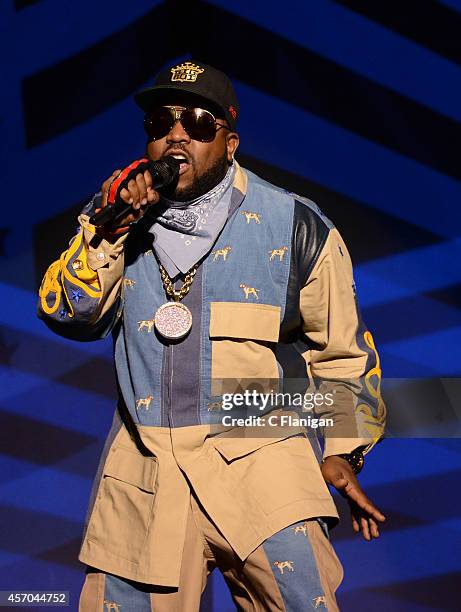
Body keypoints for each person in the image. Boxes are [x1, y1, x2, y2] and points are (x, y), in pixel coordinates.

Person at [38, 60, 386, 612]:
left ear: (230, 143)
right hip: (147, 476)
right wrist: (112, 227)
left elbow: (342, 353)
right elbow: (66, 311)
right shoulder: (113, 221)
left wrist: (346, 450)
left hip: (263, 467)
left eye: (199, 124)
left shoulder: (294, 224)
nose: (178, 135)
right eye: (161, 123)